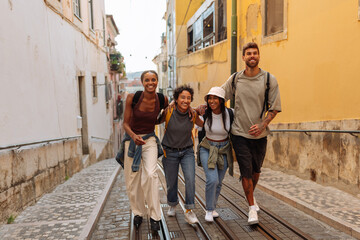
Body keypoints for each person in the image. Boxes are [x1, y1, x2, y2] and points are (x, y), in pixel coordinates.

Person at [221, 42, 281, 224]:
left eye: (255, 53)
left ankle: (252, 199)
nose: (252, 56)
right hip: (239, 132)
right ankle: (251, 208)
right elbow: (219, 96)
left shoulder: (269, 80)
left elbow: (274, 108)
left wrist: (263, 125)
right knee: (246, 171)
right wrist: (204, 105)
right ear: (243, 57)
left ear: (259, 56)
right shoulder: (235, 79)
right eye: (248, 53)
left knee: (256, 170)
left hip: (259, 135)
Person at [122, 70, 168, 231]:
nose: (151, 83)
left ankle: (155, 216)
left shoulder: (162, 99)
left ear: (157, 81)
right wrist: (134, 136)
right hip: (132, 141)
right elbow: (125, 124)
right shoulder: (132, 98)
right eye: (147, 80)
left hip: (149, 140)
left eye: (153, 80)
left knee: (150, 175)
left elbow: (166, 115)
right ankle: (138, 213)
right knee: (133, 180)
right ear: (142, 82)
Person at [160, 85, 203, 225]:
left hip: (187, 151)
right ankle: (172, 203)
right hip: (170, 151)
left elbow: (205, 125)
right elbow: (156, 120)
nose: (185, 100)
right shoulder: (169, 110)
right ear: (176, 99)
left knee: (190, 179)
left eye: (188, 98)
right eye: (182, 97)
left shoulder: (193, 114)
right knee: (171, 182)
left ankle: (189, 211)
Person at [197, 87, 234, 222]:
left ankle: (212, 208)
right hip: (207, 148)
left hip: (224, 150)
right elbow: (189, 114)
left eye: (215, 98)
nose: (212, 101)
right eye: (210, 98)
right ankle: (209, 209)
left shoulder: (230, 113)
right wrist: (196, 108)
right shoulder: (205, 114)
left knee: (218, 182)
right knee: (212, 180)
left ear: (221, 100)